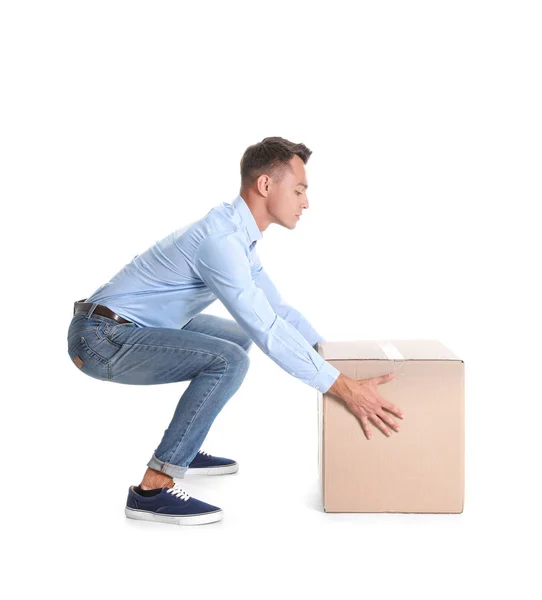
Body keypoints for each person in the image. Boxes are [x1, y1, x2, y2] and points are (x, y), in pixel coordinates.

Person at [66, 136, 403, 527]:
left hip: (131, 328)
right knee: (230, 360)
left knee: (234, 339)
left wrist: (333, 355)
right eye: (298, 190)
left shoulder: (239, 239)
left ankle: (184, 447)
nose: (305, 202)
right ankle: (153, 490)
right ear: (265, 186)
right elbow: (268, 331)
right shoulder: (221, 241)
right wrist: (342, 387)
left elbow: (278, 312)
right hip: (101, 339)